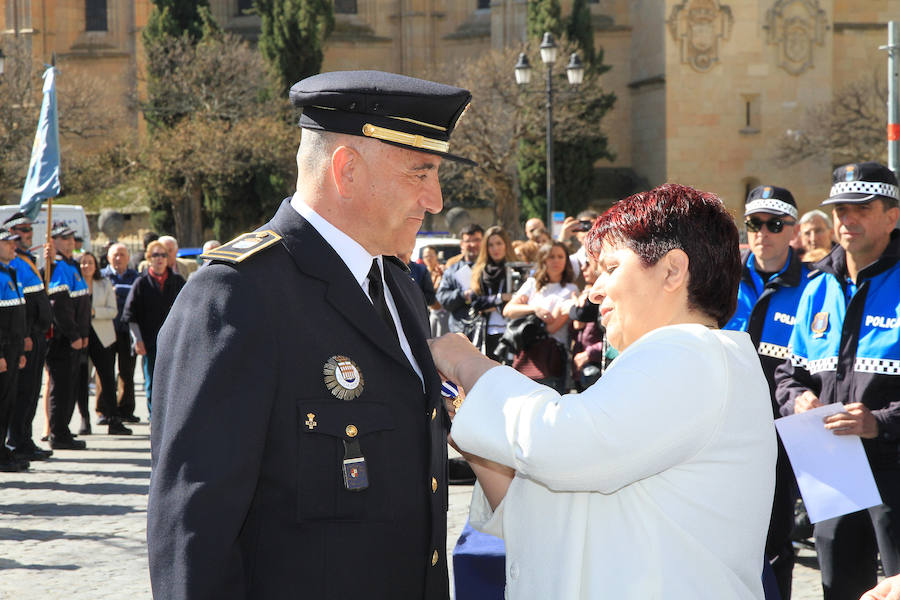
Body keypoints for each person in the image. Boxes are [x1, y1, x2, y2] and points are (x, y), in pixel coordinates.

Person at [146, 70, 474, 599]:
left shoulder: (395, 284)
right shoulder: (237, 296)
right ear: (346, 170)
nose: (435, 199)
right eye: (420, 174)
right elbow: (193, 532)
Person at [429, 183, 776, 599]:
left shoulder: (694, 353)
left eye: (611, 268)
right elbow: (550, 506)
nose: (594, 291)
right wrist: (473, 429)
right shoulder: (683, 364)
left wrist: (467, 361)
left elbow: (562, 444)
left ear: (672, 270)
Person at [775, 162, 900, 600]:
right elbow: (788, 375)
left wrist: (880, 421)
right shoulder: (817, 288)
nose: (847, 220)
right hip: (832, 470)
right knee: (840, 587)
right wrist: (799, 400)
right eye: (841, 210)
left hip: (894, 468)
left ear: (892, 216)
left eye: (861, 209)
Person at [723, 184, 809, 600]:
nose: (763, 232)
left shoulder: (815, 283)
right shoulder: (721, 277)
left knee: (776, 540)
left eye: (774, 224)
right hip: (723, 427)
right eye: (754, 223)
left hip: (781, 431)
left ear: (793, 230)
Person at [4, 212, 53, 462]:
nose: (27, 234)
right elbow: (21, 306)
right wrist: (26, 333)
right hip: (27, 335)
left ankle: (24, 438)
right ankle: (17, 440)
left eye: (28, 230)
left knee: (32, 391)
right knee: (22, 392)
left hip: (37, 333)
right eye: (22, 230)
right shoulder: (13, 263)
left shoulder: (27, 259)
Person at [502, 240, 579, 391]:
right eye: (551, 257)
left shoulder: (571, 289)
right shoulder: (532, 284)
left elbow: (552, 327)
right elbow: (508, 310)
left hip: (552, 356)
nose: (556, 261)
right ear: (543, 260)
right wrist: (535, 309)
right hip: (527, 355)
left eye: (560, 256)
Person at [122, 240, 186, 419]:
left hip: (174, 342)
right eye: (155, 255)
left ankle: (171, 416)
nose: (160, 259)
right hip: (150, 341)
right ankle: (154, 416)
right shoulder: (141, 283)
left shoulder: (178, 281)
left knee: (173, 381)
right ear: (149, 258)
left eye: (163, 255)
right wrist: (138, 340)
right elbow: (130, 315)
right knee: (152, 381)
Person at [45, 221, 91, 450]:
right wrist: (74, 334)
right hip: (63, 341)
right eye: (64, 238)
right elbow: (60, 307)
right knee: (61, 388)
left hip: (76, 339)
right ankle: (58, 433)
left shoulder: (73, 265)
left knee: (70, 388)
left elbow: (81, 305)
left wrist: (83, 333)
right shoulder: (58, 267)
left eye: (72, 237)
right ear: (53, 242)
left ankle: (63, 429)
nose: (71, 241)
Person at [76, 252, 131, 436]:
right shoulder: (75, 283)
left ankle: (114, 419)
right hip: (81, 336)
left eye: (90, 262)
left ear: (95, 265)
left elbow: (113, 311)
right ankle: (85, 420)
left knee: (107, 379)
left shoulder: (105, 283)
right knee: (81, 380)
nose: (86, 266)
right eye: (83, 263)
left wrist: (93, 312)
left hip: (103, 337)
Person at [101, 243, 141, 423]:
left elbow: (137, 295)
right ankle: (104, 410)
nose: (119, 258)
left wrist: (118, 291)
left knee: (127, 371)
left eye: (122, 255)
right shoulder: (101, 276)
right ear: (109, 258)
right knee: (105, 371)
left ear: (128, 257)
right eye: (115, 255)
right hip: (106, 328)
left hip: (127, 329)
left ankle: (125, 409)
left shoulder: (136, 277)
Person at [0, 227, 28, 472]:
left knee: (8, 401)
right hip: (2, 350)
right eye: (7, 243)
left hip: (12, 349)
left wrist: (19, 349)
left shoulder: (10, 272)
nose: (13, 246)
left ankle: (3, 449)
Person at [469, 226, 516, 358]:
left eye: (499, 243)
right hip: (486, 331)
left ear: (506, 245)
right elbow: (476, 302)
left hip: (512, 329)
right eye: (491, 245)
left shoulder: (516, 268)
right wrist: (501, 298)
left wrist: (490, 306)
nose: (495, 248)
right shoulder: (479, 270)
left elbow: (520, 299)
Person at [435, 223, 484, 337]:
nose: (472, 244)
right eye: (468, 241)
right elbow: (442, 298)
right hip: (460, 330)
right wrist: (462, 295)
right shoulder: (452, 270)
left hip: (486, 330)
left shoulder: (491, 268)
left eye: (477, 240)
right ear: (462, 244)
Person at [422, 245, 449, 337]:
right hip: (431, 312)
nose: (428, 258)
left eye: (431, 255)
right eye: (426, 256)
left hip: (443, 312)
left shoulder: (442, 270)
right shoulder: (423, 272)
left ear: (436, 256)